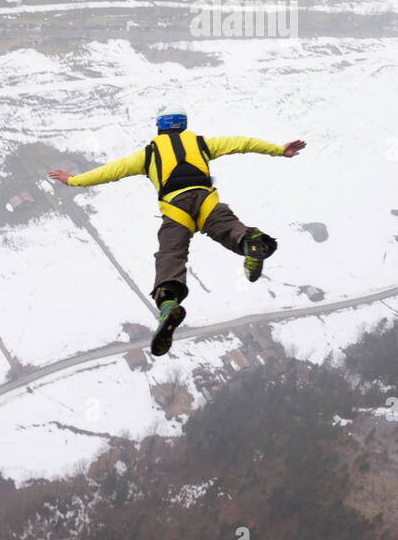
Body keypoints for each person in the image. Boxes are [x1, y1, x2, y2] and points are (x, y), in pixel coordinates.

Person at [49, 109, 306, 356]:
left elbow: (112, 171)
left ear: (160, 127)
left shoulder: (148, 155)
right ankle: (250, 241)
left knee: (170, 255)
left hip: (175, 209)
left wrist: (73, 180)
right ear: (183, 125)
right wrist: (278, 150)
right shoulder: (202, 144)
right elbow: (241, 143)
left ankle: (169, 303)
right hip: (206, 201)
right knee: (228, 227)